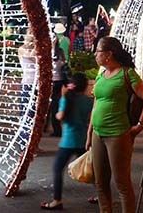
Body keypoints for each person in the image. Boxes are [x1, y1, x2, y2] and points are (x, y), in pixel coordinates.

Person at [86, 36, 143, 213]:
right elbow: (96, 104)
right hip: (98, 133)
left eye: (98, 51)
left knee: (122, 182)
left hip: (117, 134)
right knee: (100, 182)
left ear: (108, 54)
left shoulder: (127, 73)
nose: (95, 54)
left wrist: (140, 125)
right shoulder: (101, 74)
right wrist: (89, 132)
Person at [40, 73, 93, 210]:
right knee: (92, 169)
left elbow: (60, 116)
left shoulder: (66, 99)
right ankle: (101, 194)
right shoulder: (88, 101)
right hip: (83, 139)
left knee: (58, 169)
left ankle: (57, 200)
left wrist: (59, 111)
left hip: (68, 141)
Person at [50, 23, 70, 137]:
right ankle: (57, 128)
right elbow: (66, 59)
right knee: (57, 103)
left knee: (52, 105)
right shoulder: (64, 44)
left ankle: (53, 128)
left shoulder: (50, 53)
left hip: (52, 80)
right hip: (61, 80)